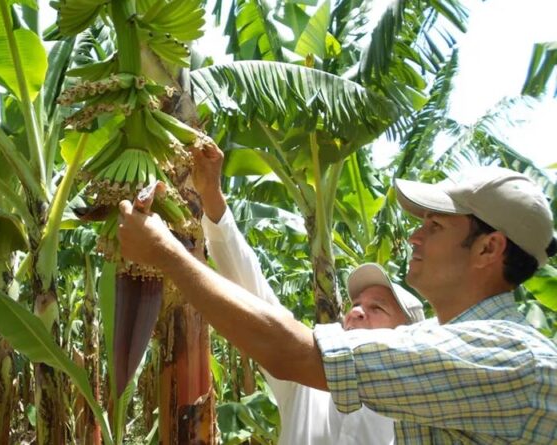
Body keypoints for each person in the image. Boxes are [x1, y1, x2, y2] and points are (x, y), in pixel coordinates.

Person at [118, 150, 557, 443]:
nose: (415, 236)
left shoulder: (502, 355)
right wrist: (213, 203)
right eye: (357, 304)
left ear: (488, 248)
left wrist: (166, 255)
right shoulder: (328, 391)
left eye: (436, 226)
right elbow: (259, 301)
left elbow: (287, 347)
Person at [198, 145, 423, 443]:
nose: (356, 311)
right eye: (355, 304)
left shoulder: (416, 412)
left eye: (377, 308)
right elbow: (253, 292)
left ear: (408, 333)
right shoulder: (305, 376)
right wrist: (210, 196)